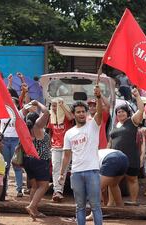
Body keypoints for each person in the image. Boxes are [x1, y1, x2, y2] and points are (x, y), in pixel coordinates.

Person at [59, 85, 103, 225]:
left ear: (86, 113)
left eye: (83, 111)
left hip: (92, 171)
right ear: (74, 114)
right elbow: (66, 156)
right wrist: (61, 174)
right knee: (79, 207)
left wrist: (99, 97)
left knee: (95, 206)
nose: (81, 114)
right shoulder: (69, 133)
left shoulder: (93, 125)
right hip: (76, 173)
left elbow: (100, 114)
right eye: (78, 112)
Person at [108, 88, 144, 205]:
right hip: (115, 158)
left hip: (131, 157)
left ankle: (133, 202)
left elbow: (141, 110)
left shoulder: (132, 121)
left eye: (123, 111)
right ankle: (111, 203)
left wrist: (137, 96)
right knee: (112, 181)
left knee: (132, 179)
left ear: (127, 113)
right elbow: (110, 142)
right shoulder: (115, 126)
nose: (121, 113)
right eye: (119, 112)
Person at [23, 100, 50, 220]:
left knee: (34, 186)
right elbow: (46, 112)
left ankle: (34, 210)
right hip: (40, 160)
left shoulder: (25, 127)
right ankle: (32, 206)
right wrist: (38, 103)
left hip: (28, 160)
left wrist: (27, 107)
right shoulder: (37, 126)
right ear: (37, 120)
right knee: (44, 186)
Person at [85, 149, 129, 221]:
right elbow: (103, 188)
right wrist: (105, 203)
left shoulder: (89, 163)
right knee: (113, 185)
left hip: (112, 159)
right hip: (124, 158)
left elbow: (101, 188)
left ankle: (94, 214)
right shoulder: (95, 155)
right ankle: (121, 208)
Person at [47, 97, 73, 202]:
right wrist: (49, 144)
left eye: (55, 105)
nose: (54, 108)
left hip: (67, 146)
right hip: (55, 146)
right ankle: (57, 191)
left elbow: (71, 118)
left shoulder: (66, 117)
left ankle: (59, 190)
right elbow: (50, 132)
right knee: (55, 168)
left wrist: (62, 105)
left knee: (64, 169)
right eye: (52, 105)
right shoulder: (51, 117)